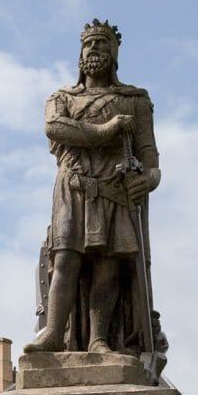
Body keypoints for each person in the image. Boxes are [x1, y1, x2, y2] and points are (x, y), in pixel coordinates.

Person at [24, 20, 160, 357]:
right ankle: (54, 333)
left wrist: (149, 180)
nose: (94, 49)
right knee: (66, 259)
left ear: (114, 54)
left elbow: (150, 157)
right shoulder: (61, 98)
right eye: (89, 44)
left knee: (107, 266)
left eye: (102, 43)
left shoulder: (135, 100)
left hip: (115, 190)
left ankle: (100, 339)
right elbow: (54, 127)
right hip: (74, 187)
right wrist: (106, 130)